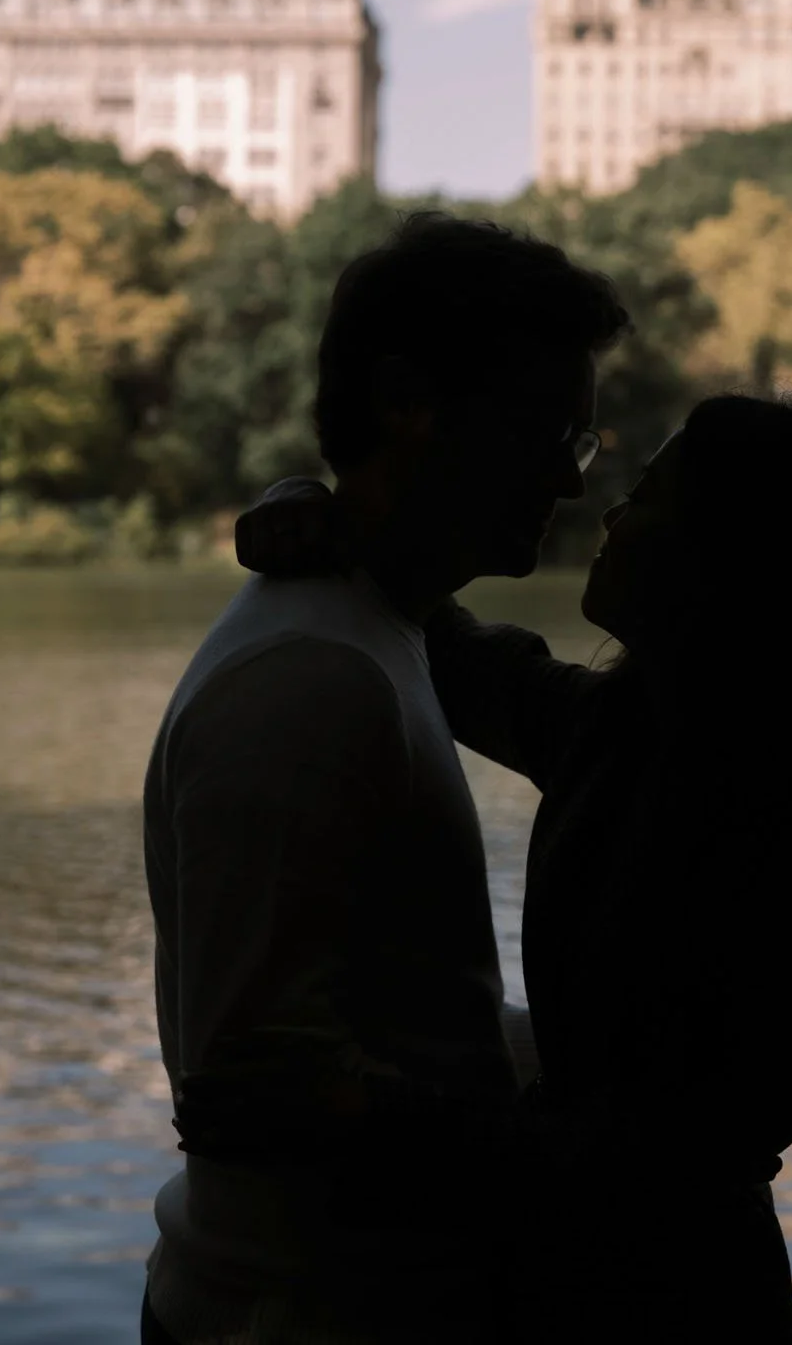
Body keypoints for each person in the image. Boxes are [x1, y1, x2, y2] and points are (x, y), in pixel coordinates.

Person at [238, 394, 792, 1343]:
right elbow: (463, 656)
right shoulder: (634, 733)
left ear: (724, 556)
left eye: (647, 499)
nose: (609, 516)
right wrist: (324, 514)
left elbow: (647, 1161)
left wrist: (356, 1109)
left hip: (675, 1304)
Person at [139, 212, 629, 1345]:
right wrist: (578, 1142)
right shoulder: (320, 669)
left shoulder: (375, 633)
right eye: (550, 431)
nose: (570, 480)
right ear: (409, 399)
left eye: (583, 445)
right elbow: (258, 1080)